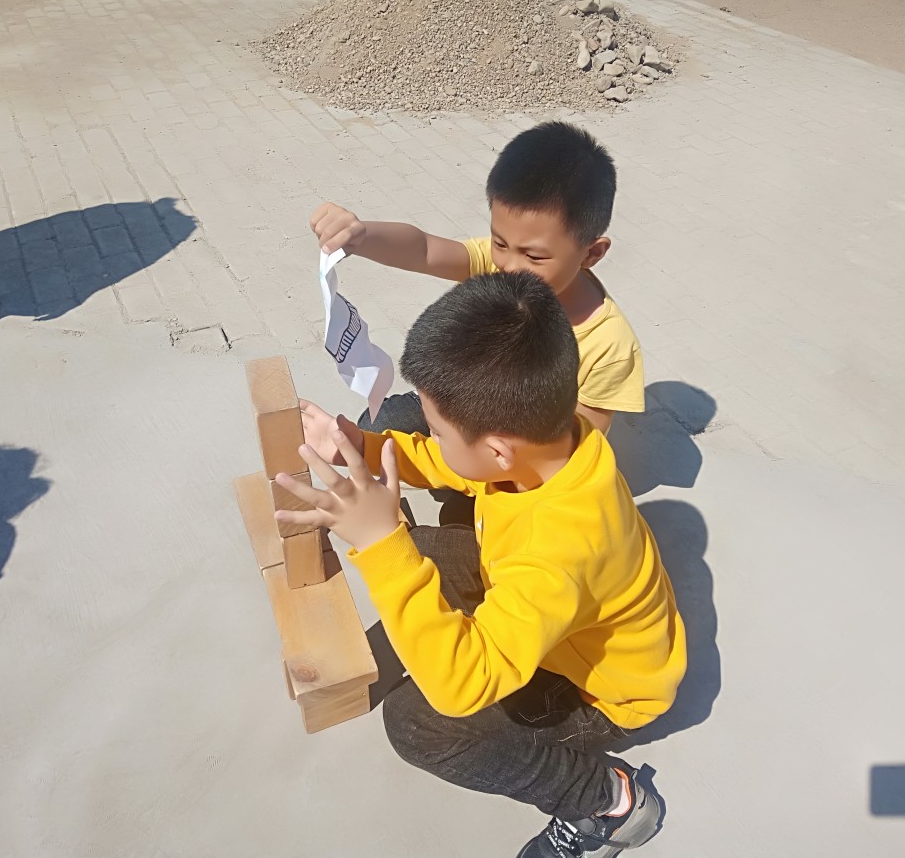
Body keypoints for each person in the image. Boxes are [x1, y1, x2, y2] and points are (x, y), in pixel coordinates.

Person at [273, 272, 684, 858]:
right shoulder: (555, 444)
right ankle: (424, 636)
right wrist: (357, 446)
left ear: (496, 450)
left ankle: (607, 801)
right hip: (552, 609)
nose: (432, 439)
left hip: (597, 694)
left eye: (438, 431)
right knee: (428, 552)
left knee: (419, 722)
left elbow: (462, 688)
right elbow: (450, 464)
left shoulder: (558, 550)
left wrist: (380, 542)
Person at [310, 120, 644, 438]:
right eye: (500, 243)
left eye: (534, 256)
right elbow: (425, 250)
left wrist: (475, 456)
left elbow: (581, 441)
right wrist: (362, 236)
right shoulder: (496, 266)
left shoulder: (608, 345)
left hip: (522, 446)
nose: (509, 266)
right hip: (458, 402)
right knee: (375, 431)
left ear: (591, 253)